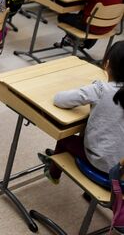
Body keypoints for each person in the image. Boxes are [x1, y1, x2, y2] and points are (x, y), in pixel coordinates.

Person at [38, 40, 124, 185]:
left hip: (102, 165)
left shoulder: (101, 89)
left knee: (65, 138)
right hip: (121, 169)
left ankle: (53, 172)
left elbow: (60, 99)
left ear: (107, 65)